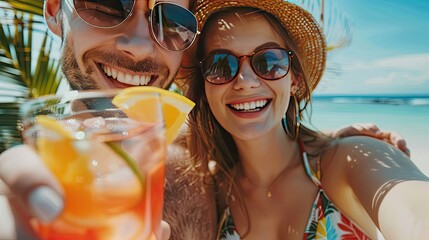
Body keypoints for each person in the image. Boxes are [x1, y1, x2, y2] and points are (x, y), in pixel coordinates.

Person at [0, 0, 411, 239]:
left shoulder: (199, 157)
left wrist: (342, 148)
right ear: (54, 11)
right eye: (108, 3)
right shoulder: (33, 180)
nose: (141, 44)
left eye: (172, 22)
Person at [181, 0, 429, 239]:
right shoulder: (212, 192)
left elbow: (415, 214)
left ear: (295, 80)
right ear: (204, 87)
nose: (246, 82)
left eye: (268, 61)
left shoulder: (348, 160)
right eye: (220, 65)